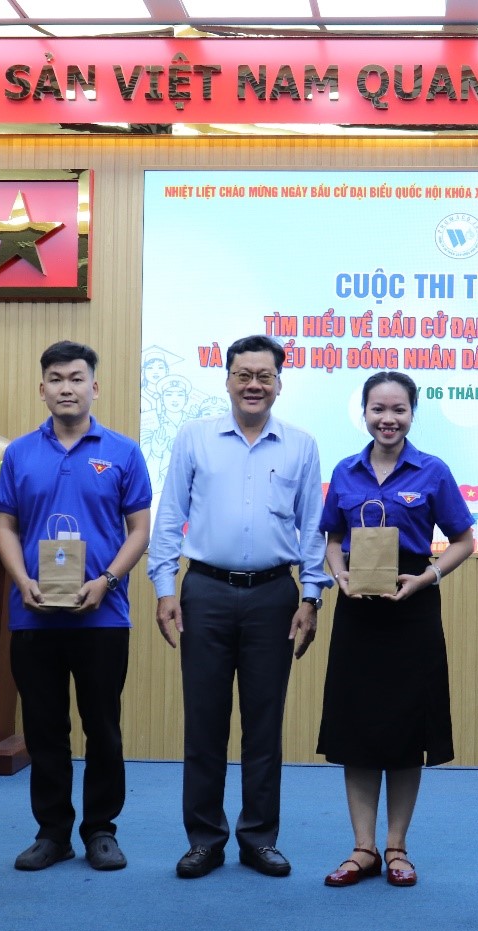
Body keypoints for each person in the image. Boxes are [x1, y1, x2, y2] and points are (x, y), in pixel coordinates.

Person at [148, 334, 330, 880]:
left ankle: (258, 839)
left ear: (279, 383)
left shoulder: (301, 445)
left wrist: (312, 596)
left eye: (264, 376)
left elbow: (313, 528)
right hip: (205, 592)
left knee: (264, 724)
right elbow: (170, 515)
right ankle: (204, 840)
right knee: (204, 722)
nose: (254, 385)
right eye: (243, 375)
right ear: (227, 379)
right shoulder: (195, 437)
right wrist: (165, 589)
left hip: (275, 596)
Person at [0, 342, 152, 873]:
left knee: (103, 726)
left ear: (94, 387)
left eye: (77, 378)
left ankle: (101, 830)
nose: (67, 388)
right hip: (33, 612)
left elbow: (139, 529)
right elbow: (5, 526)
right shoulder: (19, 453)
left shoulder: (124, 451)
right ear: (42, 389)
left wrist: (107, 581)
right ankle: (53, 833)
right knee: (44, 728)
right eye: (56, 379)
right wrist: (21, 580)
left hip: (102, 614)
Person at [318, 371, 475, 888]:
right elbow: (332, 538)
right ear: (364, 413)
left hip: (412, 605)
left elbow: (463, 541)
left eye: (399, 410)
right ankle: (362, 848)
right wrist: (339, 575)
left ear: (412, 413)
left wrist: (427, 578)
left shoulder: (432, 470)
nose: (388, 419)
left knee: (408, 731)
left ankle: (396, 847)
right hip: (357, 611)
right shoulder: (345, 471)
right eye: (378, 409)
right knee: (358, 729)